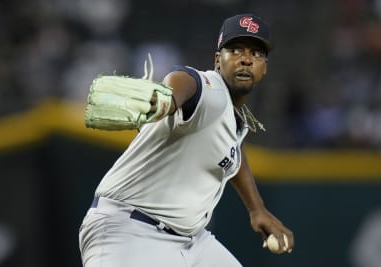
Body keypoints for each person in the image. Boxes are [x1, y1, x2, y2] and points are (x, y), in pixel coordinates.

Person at [79, 13, 294, 267]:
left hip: (192, 242)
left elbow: (233, 152)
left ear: (264, 67)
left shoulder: (233, 121)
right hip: (129, 231)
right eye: (235, 50)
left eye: (256, 54)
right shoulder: (209, 89)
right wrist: (167, 99)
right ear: (217, 60)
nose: (246, 59)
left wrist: (256, 208)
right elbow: (185, 82)